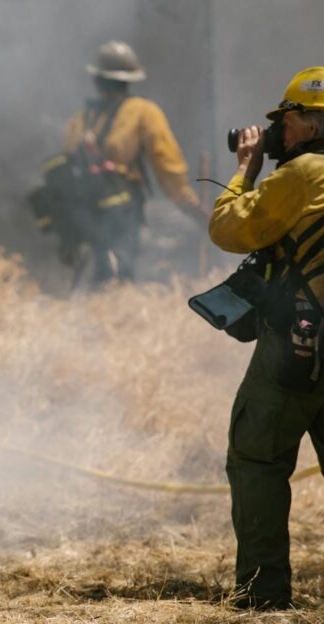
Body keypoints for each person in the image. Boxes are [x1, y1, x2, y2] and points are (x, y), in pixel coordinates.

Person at [208, 66, 324, 611]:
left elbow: (231, 228)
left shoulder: (302, 174)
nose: (279, 131)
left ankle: (262, 595)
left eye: (285, 120)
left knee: (257, 459)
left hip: (298, 349)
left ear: (310, 122)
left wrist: (246, 167)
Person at [60, 40, 201, 284]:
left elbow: (67, 160)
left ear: (97, 80)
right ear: (129, 79)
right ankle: (112, 308)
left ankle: (88, 311)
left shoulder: (79, 119)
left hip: (81, 208)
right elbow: (167, 163)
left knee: (90, 270)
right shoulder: (144, 111)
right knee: (118, 268)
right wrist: (189, 203)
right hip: (120, 206)